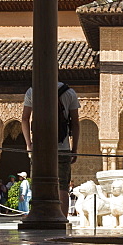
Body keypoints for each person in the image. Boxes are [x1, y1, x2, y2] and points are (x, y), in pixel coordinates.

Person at [22, 81, 80, 211]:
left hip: (40, 147)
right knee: (63, 187)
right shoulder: (69, 93)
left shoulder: (32, 91)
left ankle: (39, 216)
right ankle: (62, 220)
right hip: (63, 148)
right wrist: (74, 148)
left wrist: (29, 144)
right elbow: (75, 123)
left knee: (38, 184)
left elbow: (25, 119)